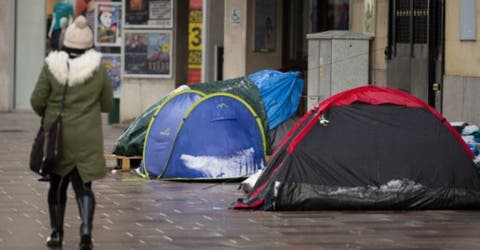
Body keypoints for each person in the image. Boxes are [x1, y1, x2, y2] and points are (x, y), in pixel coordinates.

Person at [31, 15, 113, 250]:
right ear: (89, 44)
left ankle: (56, 234)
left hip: (59, 138)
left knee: (56, 186)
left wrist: (49, 113)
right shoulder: (98, 69)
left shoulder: (51, 66)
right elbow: (107, 104)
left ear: (65, 41)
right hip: (87, 138)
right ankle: (86, 233)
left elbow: (37, 100)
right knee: (83, 186)